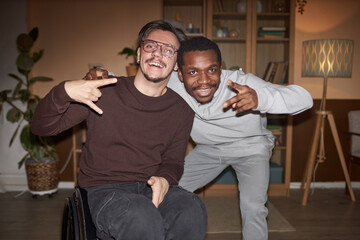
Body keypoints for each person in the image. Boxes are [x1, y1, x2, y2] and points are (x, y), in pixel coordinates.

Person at [93, 36, 313, 240]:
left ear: (221, 67)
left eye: (212, 70)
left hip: (251, 149)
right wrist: (102, 73)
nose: (204, 80)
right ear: (179, 73)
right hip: (209, 150)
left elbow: (304, 99)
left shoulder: (240, 82)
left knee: (253, 206)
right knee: (162, 190)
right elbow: (133, 84)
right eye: (193, 72)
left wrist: (260, 97)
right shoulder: (172, 83)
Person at [31, 20, 207, 240]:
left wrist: (164, 178)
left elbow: (173, 161)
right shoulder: (104, 91)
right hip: (105, 189)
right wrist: (64, 91)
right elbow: (41, 127)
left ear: (175, 64)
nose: (157, 54)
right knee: (141, 216)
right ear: (138, 54)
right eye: (151, 46)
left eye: (168, 50)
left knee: (191, 209)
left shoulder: (181, 110)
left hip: (150, 187)